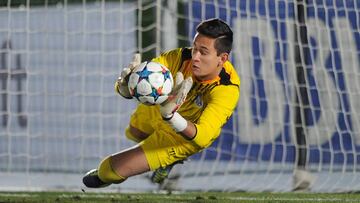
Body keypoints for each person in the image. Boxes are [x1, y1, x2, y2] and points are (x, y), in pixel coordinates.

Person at [82, 18, 240, 188]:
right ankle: (161, 159)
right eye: (194, 48)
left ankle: (169, 159)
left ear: (222, 58)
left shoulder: (227, 89)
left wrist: (171, 117)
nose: (195, 57)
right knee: (134, 131)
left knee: (107, 171)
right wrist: (124, 87)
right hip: (162, 105)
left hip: (181, 135)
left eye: (203, 52)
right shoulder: (179, 57)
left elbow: (202, 137)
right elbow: (143, 76)